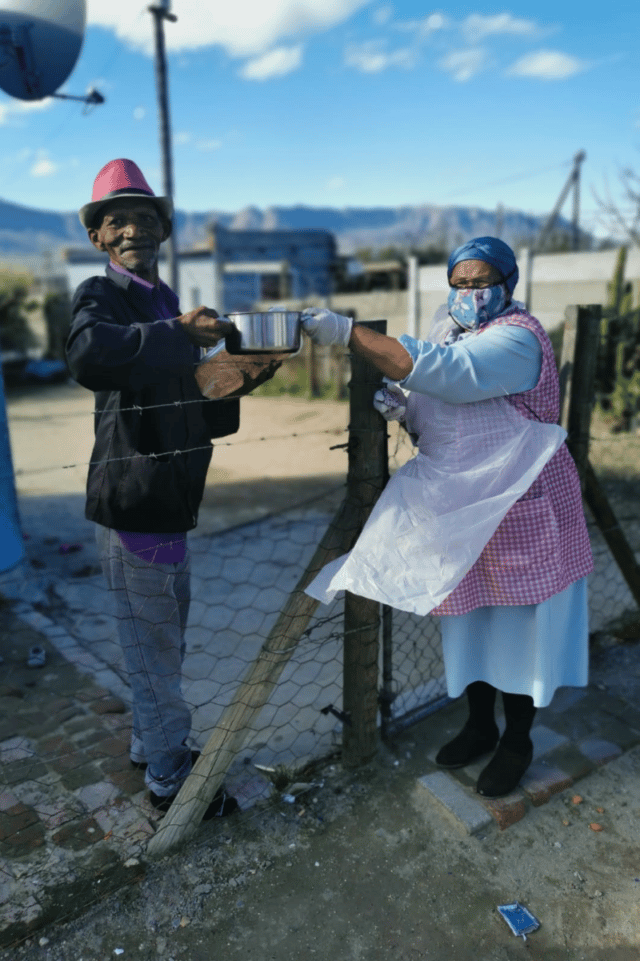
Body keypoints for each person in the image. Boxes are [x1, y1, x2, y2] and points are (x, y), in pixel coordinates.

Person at [301, 237, 593, 798]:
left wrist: (349, 333)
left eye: (481, 282)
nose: (469, 293)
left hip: (517, 507)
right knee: (469, 623)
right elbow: (438, 403)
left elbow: (453, 374)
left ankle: (518, 741)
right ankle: (479, 725)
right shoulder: (449, 330)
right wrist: (404, 407)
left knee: (520, 632)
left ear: (507, 283)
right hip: (461, 511)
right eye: (459, 283)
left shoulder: (517, 339)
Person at [66, 158, 282, 820]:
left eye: (144, 217)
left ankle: (146, 741)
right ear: (100, 237)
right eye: (116, 218)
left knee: (157, 637)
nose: (132, 227)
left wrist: (238, 374)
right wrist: (179, 335)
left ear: (163, 228)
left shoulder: (163, 301)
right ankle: (168, 779)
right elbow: (89, 356)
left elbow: (193, 398)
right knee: (156, 644)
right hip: (137, 499)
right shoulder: (99, 297)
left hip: (170, 497)